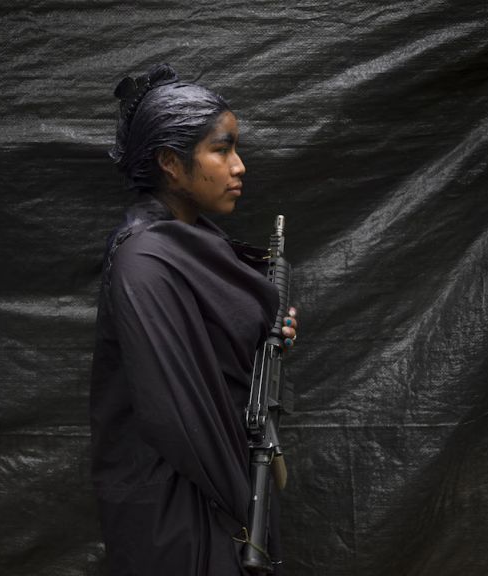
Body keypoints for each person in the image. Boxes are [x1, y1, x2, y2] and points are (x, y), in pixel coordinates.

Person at [90, 63, 297, 575]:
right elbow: (173, 412)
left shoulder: (200, 246)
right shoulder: (145, 258)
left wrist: (266, 338)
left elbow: (214, 355)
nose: (239, 166)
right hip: (179, 499)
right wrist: (243, 503)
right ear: (171, 164)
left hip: (223, 485)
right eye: (221, 149)